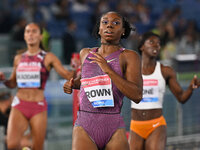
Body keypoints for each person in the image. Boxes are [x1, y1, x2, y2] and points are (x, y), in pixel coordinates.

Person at [63, 11, 143, 150]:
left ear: (123, 31)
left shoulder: (129, 56)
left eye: (116, 23)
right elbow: (84, 79)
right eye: (105, 22)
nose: (109, 26)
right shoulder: (85, 53)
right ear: (99, 29)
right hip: (85, 124)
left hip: (113, 125)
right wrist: (72, 84)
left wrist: (109, 70)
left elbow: (137, 95)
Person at [0, 22, 74, 150]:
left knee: (38, 147)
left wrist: (76, 69)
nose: (30, 34)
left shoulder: (48, 57)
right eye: (27, 31)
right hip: (19, 104)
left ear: (40, 36)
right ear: (24, 36)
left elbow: (67, 74)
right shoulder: (18, 58)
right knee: (12, 145)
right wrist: (4, 80)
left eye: (34, 31)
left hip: (38, 106)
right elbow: (13, 83)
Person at [129, 32, 200, 150]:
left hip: (156, 125)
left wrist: (190, 88)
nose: (156, 45)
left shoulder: (166, 71)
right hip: (135, 126)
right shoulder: (131, 71)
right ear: (142, 47)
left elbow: (181, 98)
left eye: (158, 43)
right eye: (151, 42)